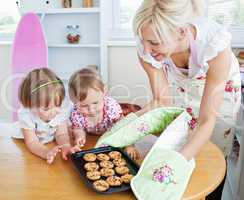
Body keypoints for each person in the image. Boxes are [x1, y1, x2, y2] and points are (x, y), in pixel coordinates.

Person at [133, 0, 241, 161]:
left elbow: (207, 119)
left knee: (212, 157)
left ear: (182, 32)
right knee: (184, 139)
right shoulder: (147, 49)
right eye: (143, 40)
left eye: (154, 43)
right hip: (187, 92)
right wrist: (126, 123)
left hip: (221, 99)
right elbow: (162, 101)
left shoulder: (214, 43)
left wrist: (177, 161)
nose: (147, 50)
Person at [69, 67, 139, 159]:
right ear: (73, 101)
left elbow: (124, 126)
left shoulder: (111, 107)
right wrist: (79, 137)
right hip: (92, 139)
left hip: (113, 135)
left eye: (95, 103)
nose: (91, 110)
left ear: (104, 92)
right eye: (84, 106)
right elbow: (78, 128)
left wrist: (130, 145)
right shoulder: (76, 113)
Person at [12, 68, 79, 164]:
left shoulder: (61, 110)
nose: (54, 112)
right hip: (27, 145)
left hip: (51, 140)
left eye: (57, 105)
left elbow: (61, 134)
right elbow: (32, 142)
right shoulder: (27, 115)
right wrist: (46, 152)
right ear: (31, 105)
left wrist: (66, 146)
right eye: (46, 109)